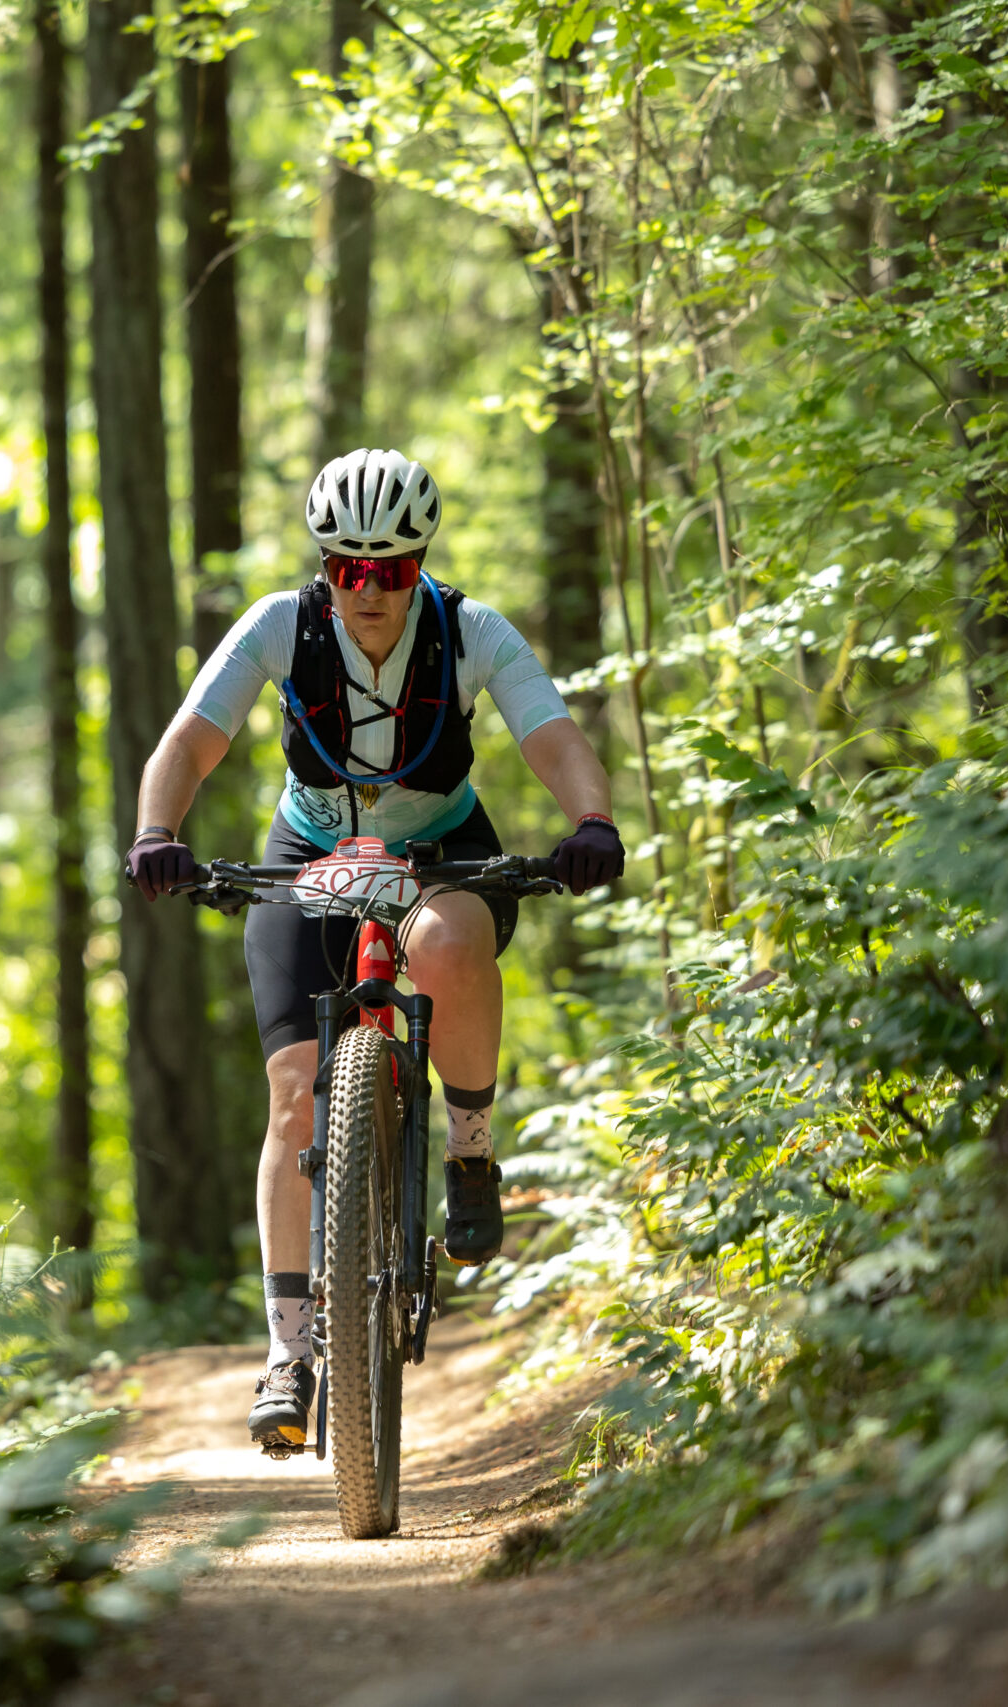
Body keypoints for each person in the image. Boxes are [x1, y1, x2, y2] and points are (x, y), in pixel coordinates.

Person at [125, 448, 625, 1453]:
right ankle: (288, 1351)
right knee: (293, 1093)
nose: (369, 589)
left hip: (442, 850)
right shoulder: (280, 625)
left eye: (390, 568)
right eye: (347, 567)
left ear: (418, 564)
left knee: (446, 944)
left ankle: (469, 1151)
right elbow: (189, 739)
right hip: (309, 850)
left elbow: (553, 736)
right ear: (324, 567)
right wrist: (155, 832)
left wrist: (592, 818)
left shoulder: (471, 630)